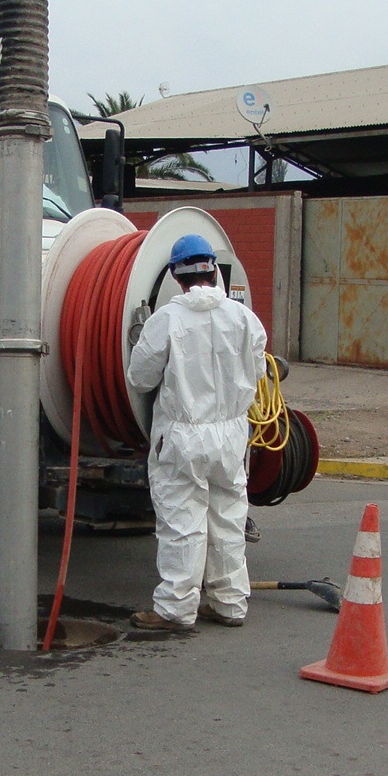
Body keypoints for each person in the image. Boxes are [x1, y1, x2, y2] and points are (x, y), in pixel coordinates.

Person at [125, 234, 268, 631]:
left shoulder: (166, 321)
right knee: (228, 518)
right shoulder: (243, 318)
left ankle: (175, 609)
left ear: (176, 275)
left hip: (184, 436)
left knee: (182, 522)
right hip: (231, 435)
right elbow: (257, 370)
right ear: (213, 270)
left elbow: (139, 378)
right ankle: (228, 604)